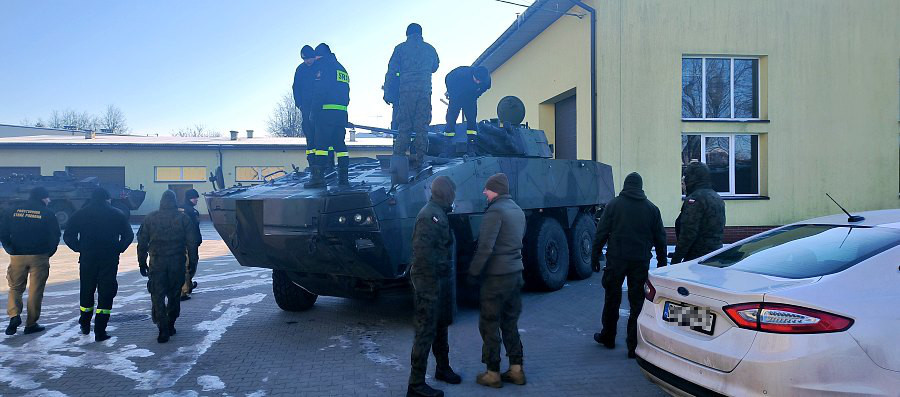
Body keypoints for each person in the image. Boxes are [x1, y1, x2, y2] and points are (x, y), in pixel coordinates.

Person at [590, 172, 667, 358]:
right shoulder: (651, 209)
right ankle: (633, 345)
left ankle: (608, 336)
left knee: (612, 298)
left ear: (625, 185)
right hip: (640, 261)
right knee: (637, 303)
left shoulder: (614, 205)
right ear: (640, 187)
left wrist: (595, 256)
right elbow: (660, 238)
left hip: (616, 259)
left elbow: (601, 232)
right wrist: (663, 262)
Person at [466, 173, 527, 388]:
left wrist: (473, 272)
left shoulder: (495, 211)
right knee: (510, 323)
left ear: (496, 190)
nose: (484, 192)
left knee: (490, 324)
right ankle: (516, 370)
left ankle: (492, 373)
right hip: (515, 274)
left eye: (487, 189)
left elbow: (485, 247)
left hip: (497, 278)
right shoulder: (518, 210)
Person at [406, 176, 461, 397]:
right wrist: (428, 288)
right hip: (429, 282)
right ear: (446, 193)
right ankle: (416, 385)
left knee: (441, 325)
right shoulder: (430, 216)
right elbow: (422, 255)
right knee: (425, 330)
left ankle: (442, 368)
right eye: (453, 192)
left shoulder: (440, 213)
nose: (455, 195)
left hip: (440, 280)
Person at [63, 188, 134, 342]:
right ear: (107, 199)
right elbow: (129, 235)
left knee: (87, 291)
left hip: (88, 258)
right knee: (106, 292)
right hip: (109, 259)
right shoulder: (116, 214)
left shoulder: (80, 214)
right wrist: (119, 249)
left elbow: (68, 235)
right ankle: (100, 330)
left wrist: (79, 248)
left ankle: (85, 324)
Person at [137, 190, 198, 343]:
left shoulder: (150, 218)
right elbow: (192, 243)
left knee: (157, 296)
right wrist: (193, 263)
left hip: (157, 263)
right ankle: (170, 324)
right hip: (177, 262)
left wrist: (142, 262)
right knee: (174, 295)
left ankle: (162, 328)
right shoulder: (183, 218)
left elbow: (142, 243)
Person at [1, 187, 60, 336]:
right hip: (39, 256)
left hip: (17, 255)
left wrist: (9, 248)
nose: (49, 200)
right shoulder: (47, 213)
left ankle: (14, 316)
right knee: (35, 291)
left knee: (15, 287)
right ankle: (31, 324)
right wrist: (49, 252)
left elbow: (3, 232)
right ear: (42, 198)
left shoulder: (12, 211)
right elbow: (55, 235)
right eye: (47, 197)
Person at [387, 23, 440, 171]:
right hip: (424, 92)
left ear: (407, 34)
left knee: (404, 126)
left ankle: (398, 160)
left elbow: (391, 71)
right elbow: (435, 67)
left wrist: (388, 93)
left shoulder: (400, 49)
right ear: (421, 34)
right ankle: (420, 160)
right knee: (421, 127)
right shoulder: (430, 49)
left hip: (406, 93)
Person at [305, 43, 350, 188]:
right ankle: (343, 179)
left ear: (320, 55)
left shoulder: (323, 68)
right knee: (340, 146)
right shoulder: (342, 69)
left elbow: (320, 92)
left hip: (325, 114)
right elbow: (346, 95)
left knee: (321, 147)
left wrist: (313, 111)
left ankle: (318, 178)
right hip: (341, 114)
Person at [671, 162, 726, 264]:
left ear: (692, 178)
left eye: (686, 176)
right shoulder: (716, 197)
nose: (683, 179)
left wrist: (676, 260)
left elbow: (688, 234)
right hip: (715, 255)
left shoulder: (695, 199)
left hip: (697, 259)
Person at [442, 66, 491, 157]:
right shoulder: (461, 73)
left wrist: (476, 95)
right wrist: (451, 93)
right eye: (476, 79)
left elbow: (485, 88)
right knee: (451, 120)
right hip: (456, 97)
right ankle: (446, 147)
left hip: (470, 99)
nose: (478, 82)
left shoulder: (486, 81)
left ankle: (471, 148)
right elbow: (448, 78)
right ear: (473, 75)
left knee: (472, 121)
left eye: (480, 81)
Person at [293, 44, 319, 166]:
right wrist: (300, 105)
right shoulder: (300, 69)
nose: (307, 61)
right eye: (304, 59)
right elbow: (296, 88)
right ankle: (312, 164)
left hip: (320, 108)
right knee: (309, 135)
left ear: (314, 56)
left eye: (309, 58)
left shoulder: (320, 67)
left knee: (322, 135)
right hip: (306, 108)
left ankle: (326, 164)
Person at [180, 189, 202, 301]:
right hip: (189, 244)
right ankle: (184, 291)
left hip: (188, 243)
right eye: (194, 198)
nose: (196, 199)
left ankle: (188, 285)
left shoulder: (188, 210)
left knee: (190, 265)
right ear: (189, 198)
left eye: (197, 197)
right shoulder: (190, 212)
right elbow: (193, 229)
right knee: (189, 265)